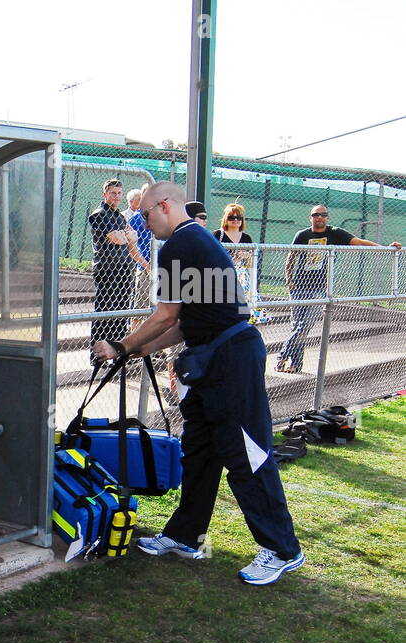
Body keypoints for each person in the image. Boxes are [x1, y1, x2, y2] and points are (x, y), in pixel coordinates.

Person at [95, 181, 304, 586]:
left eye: (145, 214)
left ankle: (282, 549)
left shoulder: (180, 245)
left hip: (230, 360)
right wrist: (138, 350)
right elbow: (189, 322)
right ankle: (185, 535)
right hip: (218, 354)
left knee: (247, 454)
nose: (142, 222)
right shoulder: (198, 242)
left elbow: (167, 315)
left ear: (166, 206)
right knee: (201, 450)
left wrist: (121, 345)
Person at [277, 205, 401, 373]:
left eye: (323, 215)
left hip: (319, 288)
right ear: (310, 217)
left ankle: (282, 355)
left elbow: (358, 242)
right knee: (297, 326)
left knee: (304, 326)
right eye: (316, 215)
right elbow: (290, 258)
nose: (319, 217)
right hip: (299, 286)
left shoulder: (335, 233)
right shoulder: (302, 235)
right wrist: (289, 281)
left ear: (327, 217)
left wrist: (386, 248)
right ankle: (296, 364)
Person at [88, 179, 138, 364]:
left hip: (124, 269)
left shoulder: (120, 216)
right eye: (113, 193)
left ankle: (116, 353)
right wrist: (124, 236)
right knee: (104, 312)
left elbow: (133, 237)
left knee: (121, 312)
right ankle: (97, 355)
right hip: (107, 269)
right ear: (105, 194)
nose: (116, 197)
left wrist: (123, 235)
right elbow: (115, 237)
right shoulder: (99, 214)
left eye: (119, 193)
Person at [213, 203, 255, 309]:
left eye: (239, 217)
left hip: (241, 278)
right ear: (226, 219)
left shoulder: (246, 238)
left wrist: (247, 256)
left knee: (239, 307)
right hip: (221, 276)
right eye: (232, 217)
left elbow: (251, 265)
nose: (236, 220)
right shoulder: (218, 235)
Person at [125, 188, 154, 305]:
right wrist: (146, 266)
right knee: (140, 312)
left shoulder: (161, 217)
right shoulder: (137, 218)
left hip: (161, 268)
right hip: (145, 268)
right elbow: (131, 247)